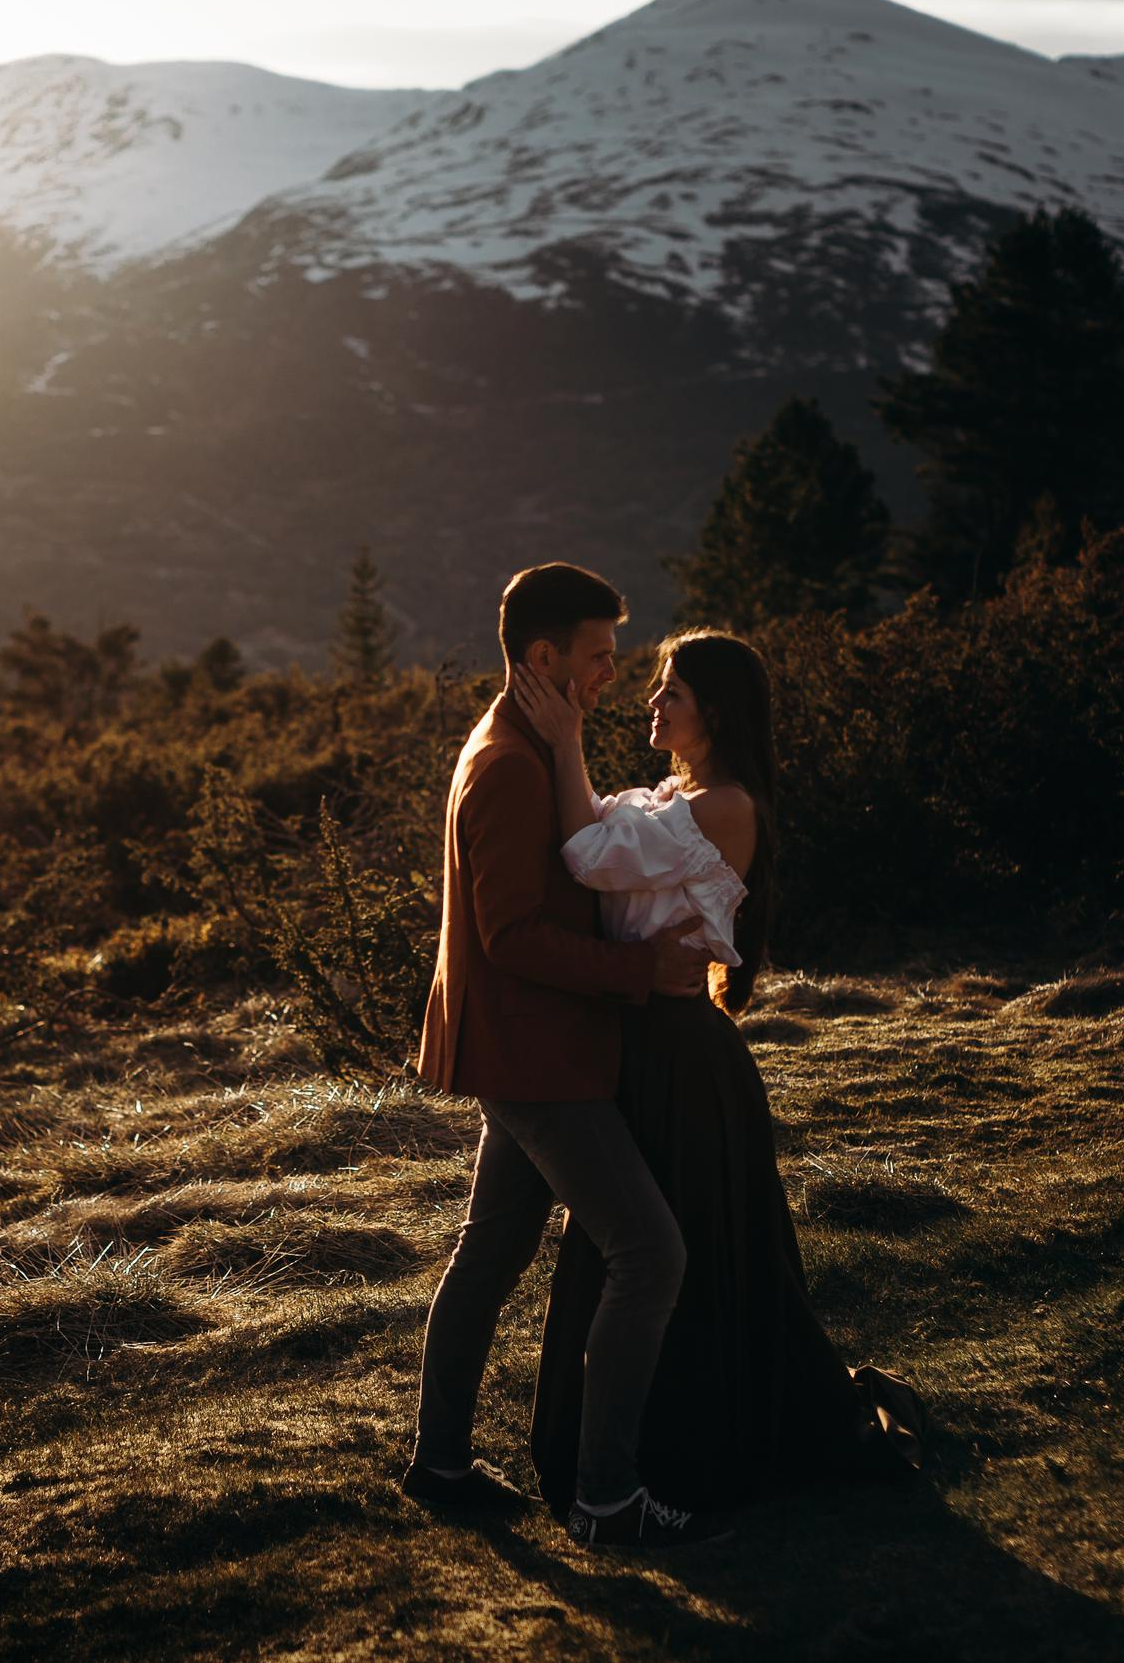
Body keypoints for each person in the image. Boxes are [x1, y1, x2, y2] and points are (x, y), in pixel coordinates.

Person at [509, 629, 926, 1518]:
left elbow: (587, 856)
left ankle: (679, 1451)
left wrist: (566, 740)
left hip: (682, 1058)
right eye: (657, 688)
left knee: (677, 1253)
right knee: (637, 1249)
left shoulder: (728, 806)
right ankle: (614, 1457)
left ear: (717, 713)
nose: (653, 703)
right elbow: (592, 842)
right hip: (636, 1046)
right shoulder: (673, 796)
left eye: (673, 693)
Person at [399, 562, 737, 1550]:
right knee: (650, 1253)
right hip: (535, 1056)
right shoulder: (509, 765)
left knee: (491, 1250)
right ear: (543, 656)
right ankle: (605, 1497)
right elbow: (511, 935)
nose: (609, 677)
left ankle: (441, 1463)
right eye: (597, 658)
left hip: (515, 1049)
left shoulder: (521, 742)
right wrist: (640, 969)